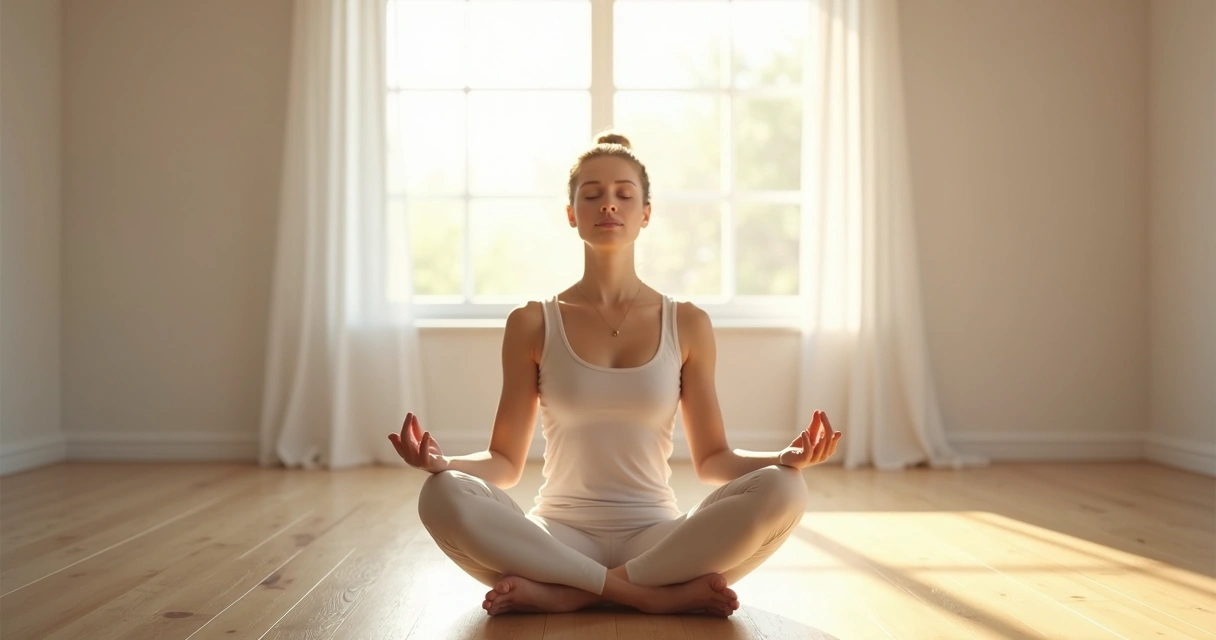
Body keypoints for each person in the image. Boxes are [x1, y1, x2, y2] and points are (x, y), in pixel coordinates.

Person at [388, 132, 842, 618]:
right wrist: (444, 464)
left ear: (646, 213)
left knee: (787, 487)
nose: (609, 205)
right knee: (439, 494)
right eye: (592, 195)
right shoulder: (533, 323)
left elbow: (712, 460)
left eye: (624, 194)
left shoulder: (687, 322)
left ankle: (567, 595)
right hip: (557, 536)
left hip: (657, 538)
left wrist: (786, 457)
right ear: (571, 213)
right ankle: (649, 596)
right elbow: (505, 462)